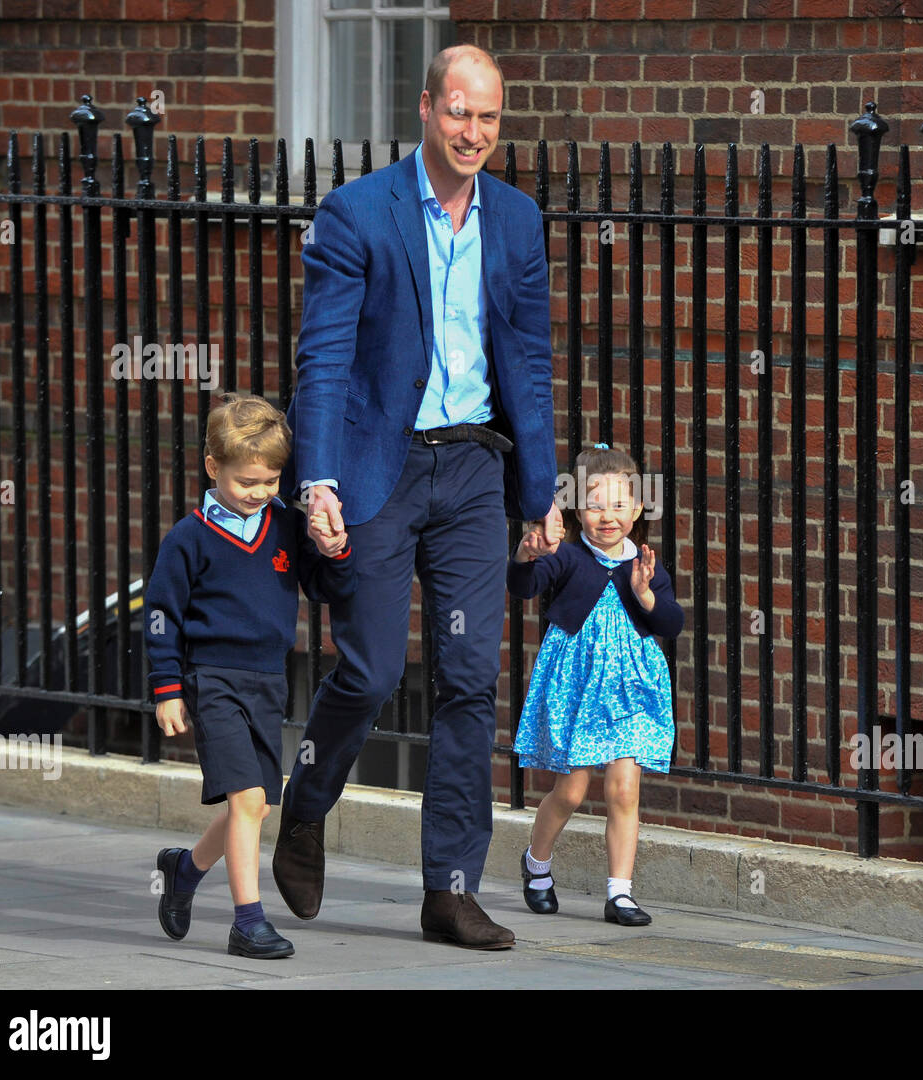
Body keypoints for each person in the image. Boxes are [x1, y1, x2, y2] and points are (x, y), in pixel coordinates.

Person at [274, 43, 562, 950]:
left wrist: (539, 490)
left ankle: (449, 888)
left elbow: (531, 363)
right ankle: (307, 801)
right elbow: (321, 360)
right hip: (379, 468)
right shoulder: (357, 213)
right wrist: (316, 477)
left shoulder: (517, 221)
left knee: (470, 677)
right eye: (458, 113)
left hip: (475, 469)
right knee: (370, 671)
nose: (473, 133)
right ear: (427, 107)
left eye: (488, 118)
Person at [144, 393, 355, 958]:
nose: (261, 491)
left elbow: (330, 588)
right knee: (245, 798)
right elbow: (161, 615)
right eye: (247, 481)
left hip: (268, 680)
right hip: (211, 679)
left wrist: (334, 550)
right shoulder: (187, 540)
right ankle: (248, 921)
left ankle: (184, 871)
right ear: (213, 468)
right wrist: (167, 689)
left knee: (258, 803)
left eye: (272, 480)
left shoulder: (287, 524)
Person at [507, 443, 684, 926]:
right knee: (571, 792)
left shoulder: (645, 564)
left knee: (625, 790)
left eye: (618, 505)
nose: (607, 516)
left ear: (638, 507)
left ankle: (620, 893)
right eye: (594, 505)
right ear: (575, 509)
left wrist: (647, 596)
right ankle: (537, 864)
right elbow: (524, 586)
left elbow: (672, 623)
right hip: (578, 687)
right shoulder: (565, 557)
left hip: (632, 689)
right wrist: (524, 557)